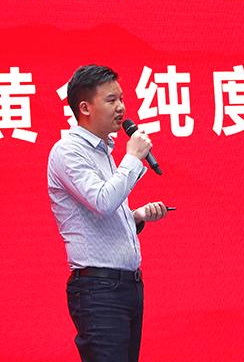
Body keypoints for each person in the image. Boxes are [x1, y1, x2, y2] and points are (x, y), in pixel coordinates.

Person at [48, 64, 169, 361]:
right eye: (111, 100)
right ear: (85, 108)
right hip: (99, 290)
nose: (121, 108)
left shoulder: (104, 151)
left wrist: (136, 217)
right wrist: (133, 157)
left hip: (127, 286)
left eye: (122, 99)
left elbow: (102, 212)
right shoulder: (68, 152)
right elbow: (102, 201)